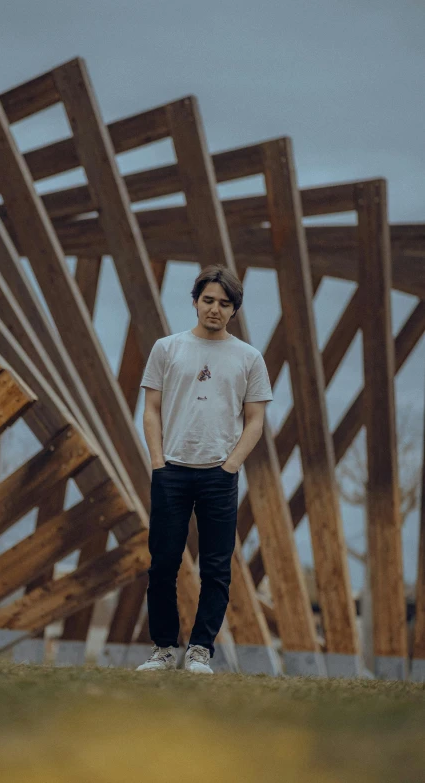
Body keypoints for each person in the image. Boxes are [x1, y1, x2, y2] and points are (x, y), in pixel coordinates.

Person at [136, 265, 273, 674]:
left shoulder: (249, 358)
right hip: (171, 471)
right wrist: (158, 462)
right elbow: (151, 410)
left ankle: (199, 650)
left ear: (234, 309)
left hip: (219, 474)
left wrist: (230, 466)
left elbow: (255, 421)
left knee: (216, 567)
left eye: (224, 303)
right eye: (208, 300)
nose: (215, 309)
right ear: (195, 301)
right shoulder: (167, 348)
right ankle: (163, 648)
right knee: (163, 563)